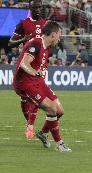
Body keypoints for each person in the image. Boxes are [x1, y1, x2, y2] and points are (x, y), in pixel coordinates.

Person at [13, 21, 71, 152]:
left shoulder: (47, 46)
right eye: (59, 35)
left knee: (60, 110)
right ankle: (59, 143)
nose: (59, 38)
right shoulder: (36, 44)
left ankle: (43, 133)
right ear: (53, 34)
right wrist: (35, 72)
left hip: (37, 81)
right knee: (51, 108)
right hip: (25, 83)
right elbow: (24, 63)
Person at [9, 0, 47, 139]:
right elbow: (10, 42)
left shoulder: (45, 24)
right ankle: (28, 122)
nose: (37, 10)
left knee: (36, 95)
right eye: (35, 7)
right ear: (30, 8)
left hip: (40, 65)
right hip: (26, 64)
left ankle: (30, 125)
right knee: (25, 98)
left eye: (39, 7)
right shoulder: (23, 23)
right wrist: (23, 39)